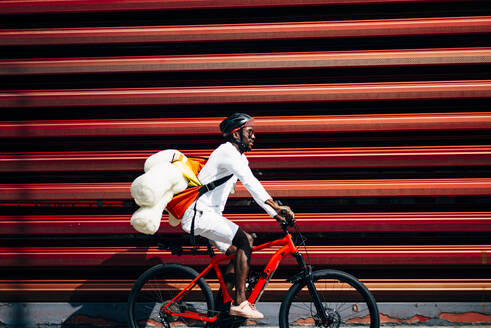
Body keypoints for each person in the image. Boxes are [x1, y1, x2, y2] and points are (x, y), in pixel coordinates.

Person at [180, 113, 294, 319]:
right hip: (199, 214)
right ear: (236, 133)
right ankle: (240, 302)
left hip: (210, 215)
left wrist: (274, 214)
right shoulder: (227, 152)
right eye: (249, 132)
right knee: (245, 241)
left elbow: (251, 184)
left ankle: (219, 312)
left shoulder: (240, 157)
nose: (254, 136)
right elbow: (251, 183)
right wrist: (276, 208)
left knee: (236, 253)